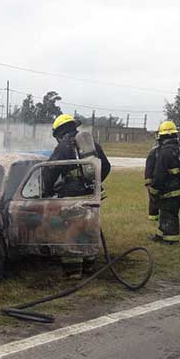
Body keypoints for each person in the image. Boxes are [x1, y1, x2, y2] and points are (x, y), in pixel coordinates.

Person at [46, 114, 111, 278]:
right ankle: (89, 266)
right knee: (89, 229)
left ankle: (73, 272)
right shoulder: (92, 145)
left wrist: (46, 191)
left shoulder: (63, 147)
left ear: (59, 132)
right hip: (91, 195)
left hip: (71, 197)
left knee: (70, 233)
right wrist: (92, 182)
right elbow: (106, 167)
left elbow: (49, 172)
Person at [146, 121, 180, 245]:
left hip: (170, 190)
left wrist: (154, 189)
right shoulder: (179, 149)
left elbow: (159, 174)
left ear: (161, 136)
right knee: (166, 213)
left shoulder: (164, 152)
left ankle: (171, 240)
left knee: (169, 214)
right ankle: (160, 235)